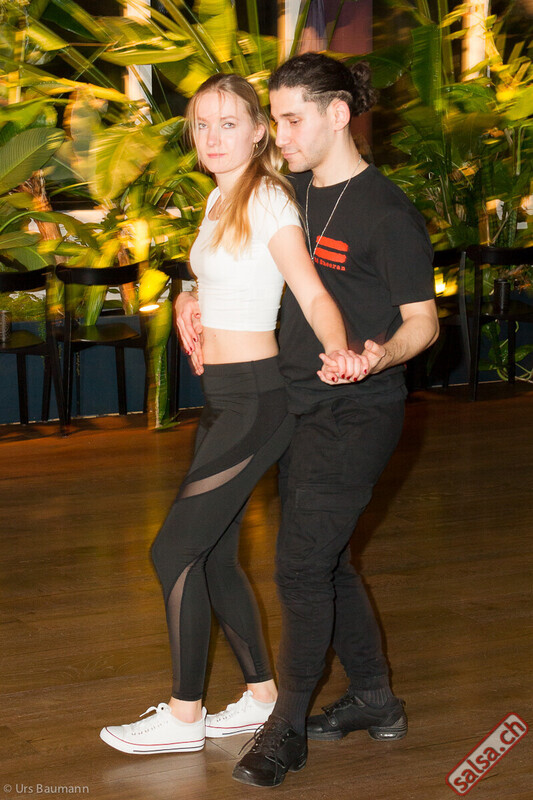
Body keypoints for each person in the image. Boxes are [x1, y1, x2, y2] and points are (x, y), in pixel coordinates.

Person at [177, 53, 438, 787]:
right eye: (276, 119)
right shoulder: (282, 191)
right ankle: (375, 697)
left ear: (337, 114)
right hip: (287, 400)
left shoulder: (385, 213)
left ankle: (284, 726)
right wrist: (190, 296)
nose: (280, 134)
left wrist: (378, 354)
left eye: (292, 120)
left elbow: (423, 322)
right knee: (327, 560)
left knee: (298, 565)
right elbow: (232, 259)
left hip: (355, 412)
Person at [100, 72, 359, 756]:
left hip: (254, 401)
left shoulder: (268, 199)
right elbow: (227, 275)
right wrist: (190, 298)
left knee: (172, 550)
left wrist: (337, 349)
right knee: (212, 553)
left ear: (258, 131)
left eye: (228, 123)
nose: (212, 137)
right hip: (223, 399)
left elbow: (311, 292)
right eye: (202, 124)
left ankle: (184, 716)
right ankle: (261, 697)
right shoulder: (221, 196)